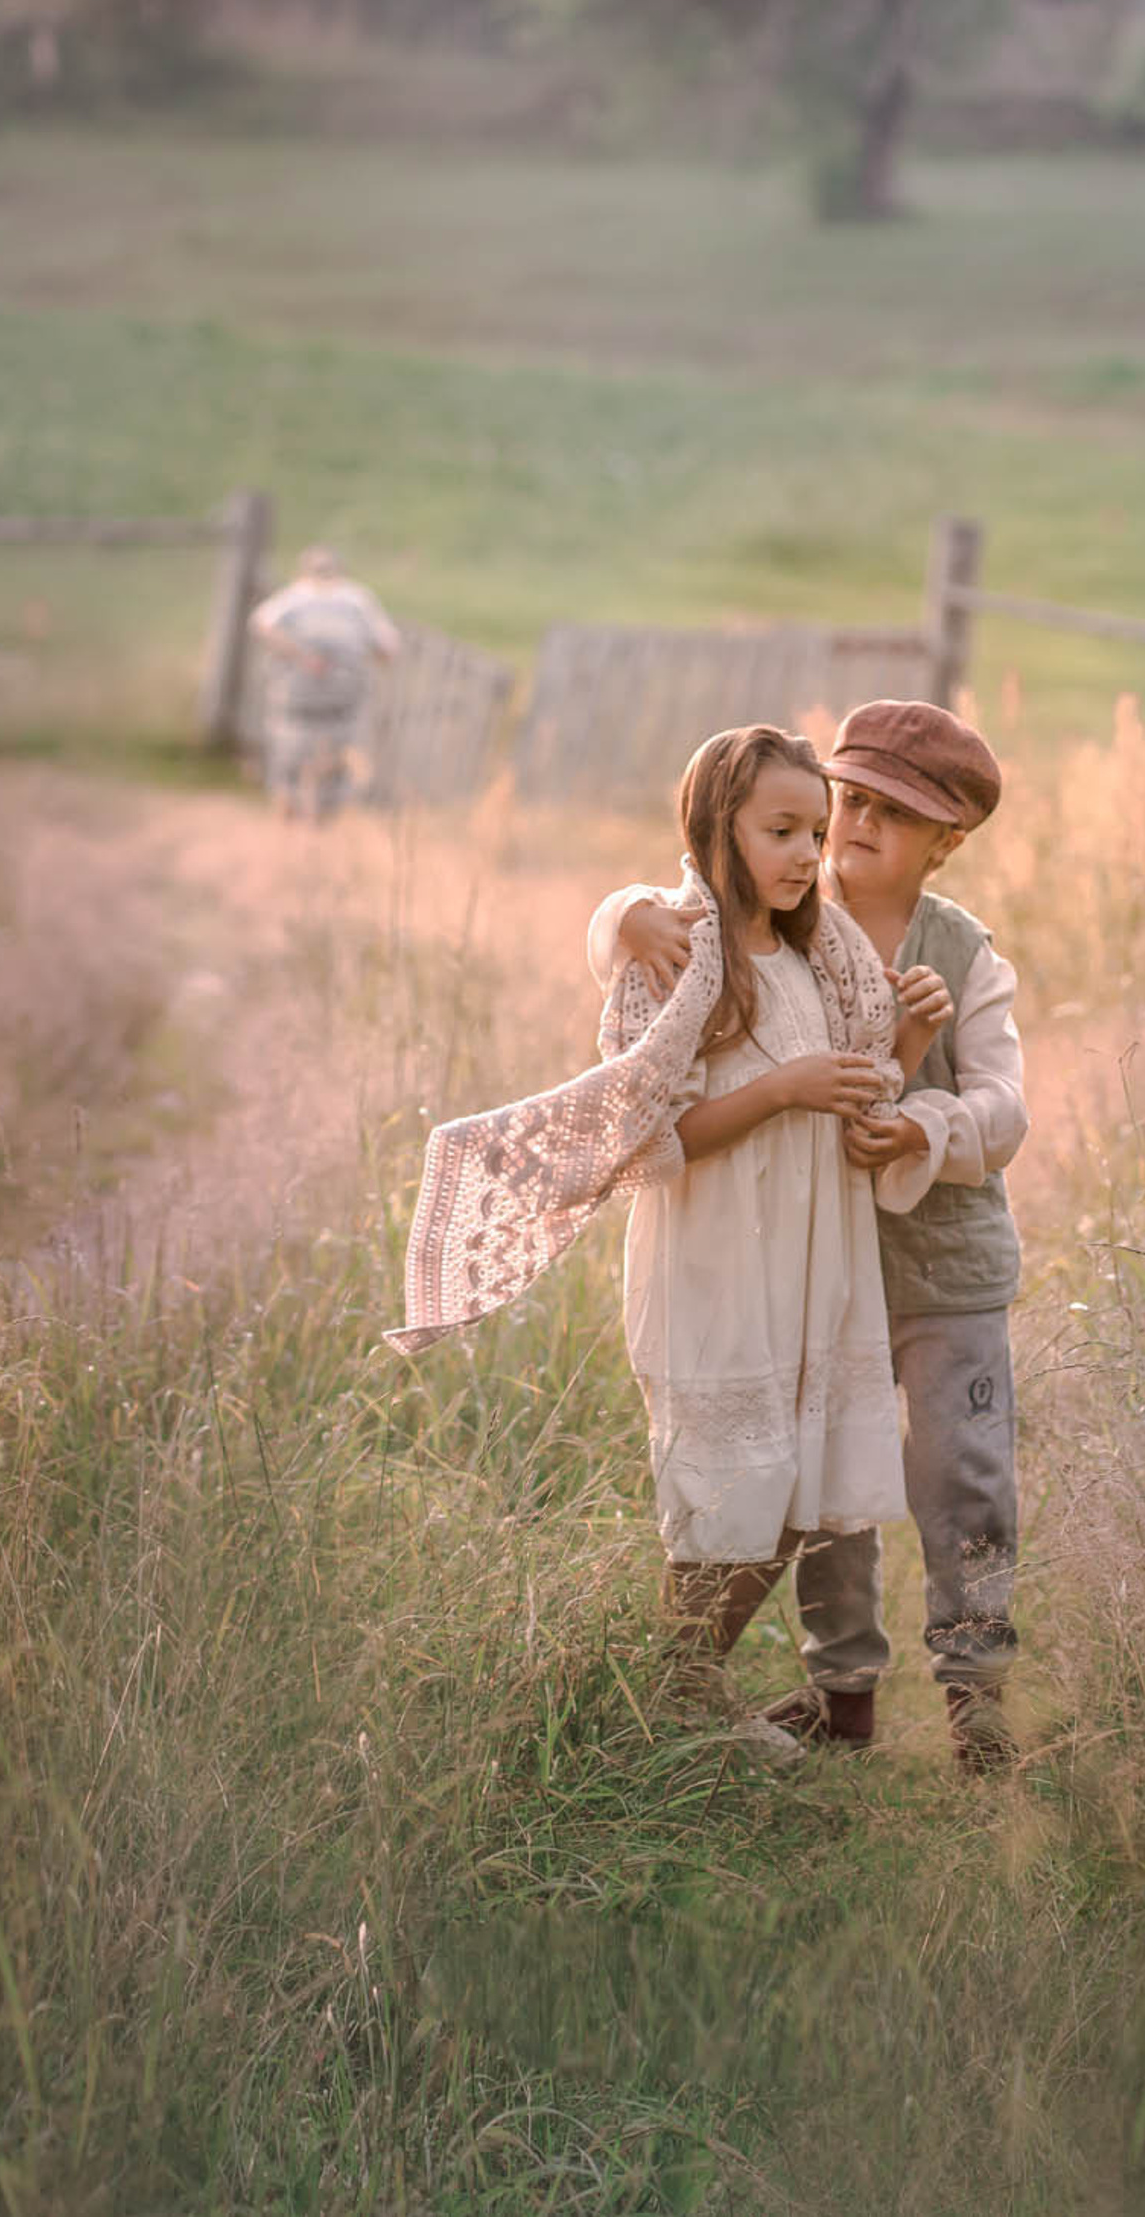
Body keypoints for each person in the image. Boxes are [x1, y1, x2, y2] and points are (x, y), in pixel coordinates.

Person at [388, 725, 951, 1754]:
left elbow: (861, 1093)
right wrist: (779, 1090)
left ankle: (680, 1692)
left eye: (812, 832)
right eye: (779, 828)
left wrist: (901, 1046)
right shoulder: (679, 952)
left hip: (810, 1259)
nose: (801, 853)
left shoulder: (822, 956)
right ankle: (669, 1691)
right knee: (727, 1487)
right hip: (715, 1262)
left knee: (795, 1490)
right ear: (715, 824)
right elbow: (648, 1141)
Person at [592, 701, 1028, 1774]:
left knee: (956, 1475)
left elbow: (999, 1108)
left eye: (896, 812)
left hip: (936, 1263)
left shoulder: (958, 951)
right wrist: (614, 918)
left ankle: (977, 1701)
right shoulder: (794, 912)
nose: (854, 828)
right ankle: (843, 1695)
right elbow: (671, 902)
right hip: (808, 1264)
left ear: (947, 842)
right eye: (855, 803)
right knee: (831, 1485)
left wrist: (923, 1110)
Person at [248, 547, 401, 822]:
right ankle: (327, 817)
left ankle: (289, 809)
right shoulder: (357, 598)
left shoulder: (294, 597)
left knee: (290, 746)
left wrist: (300, 656)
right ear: (340, 570)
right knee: (340, 749)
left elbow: (261, 624)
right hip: (344, 693)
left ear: (304, 570)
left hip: (295, 693)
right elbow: (389, 646)